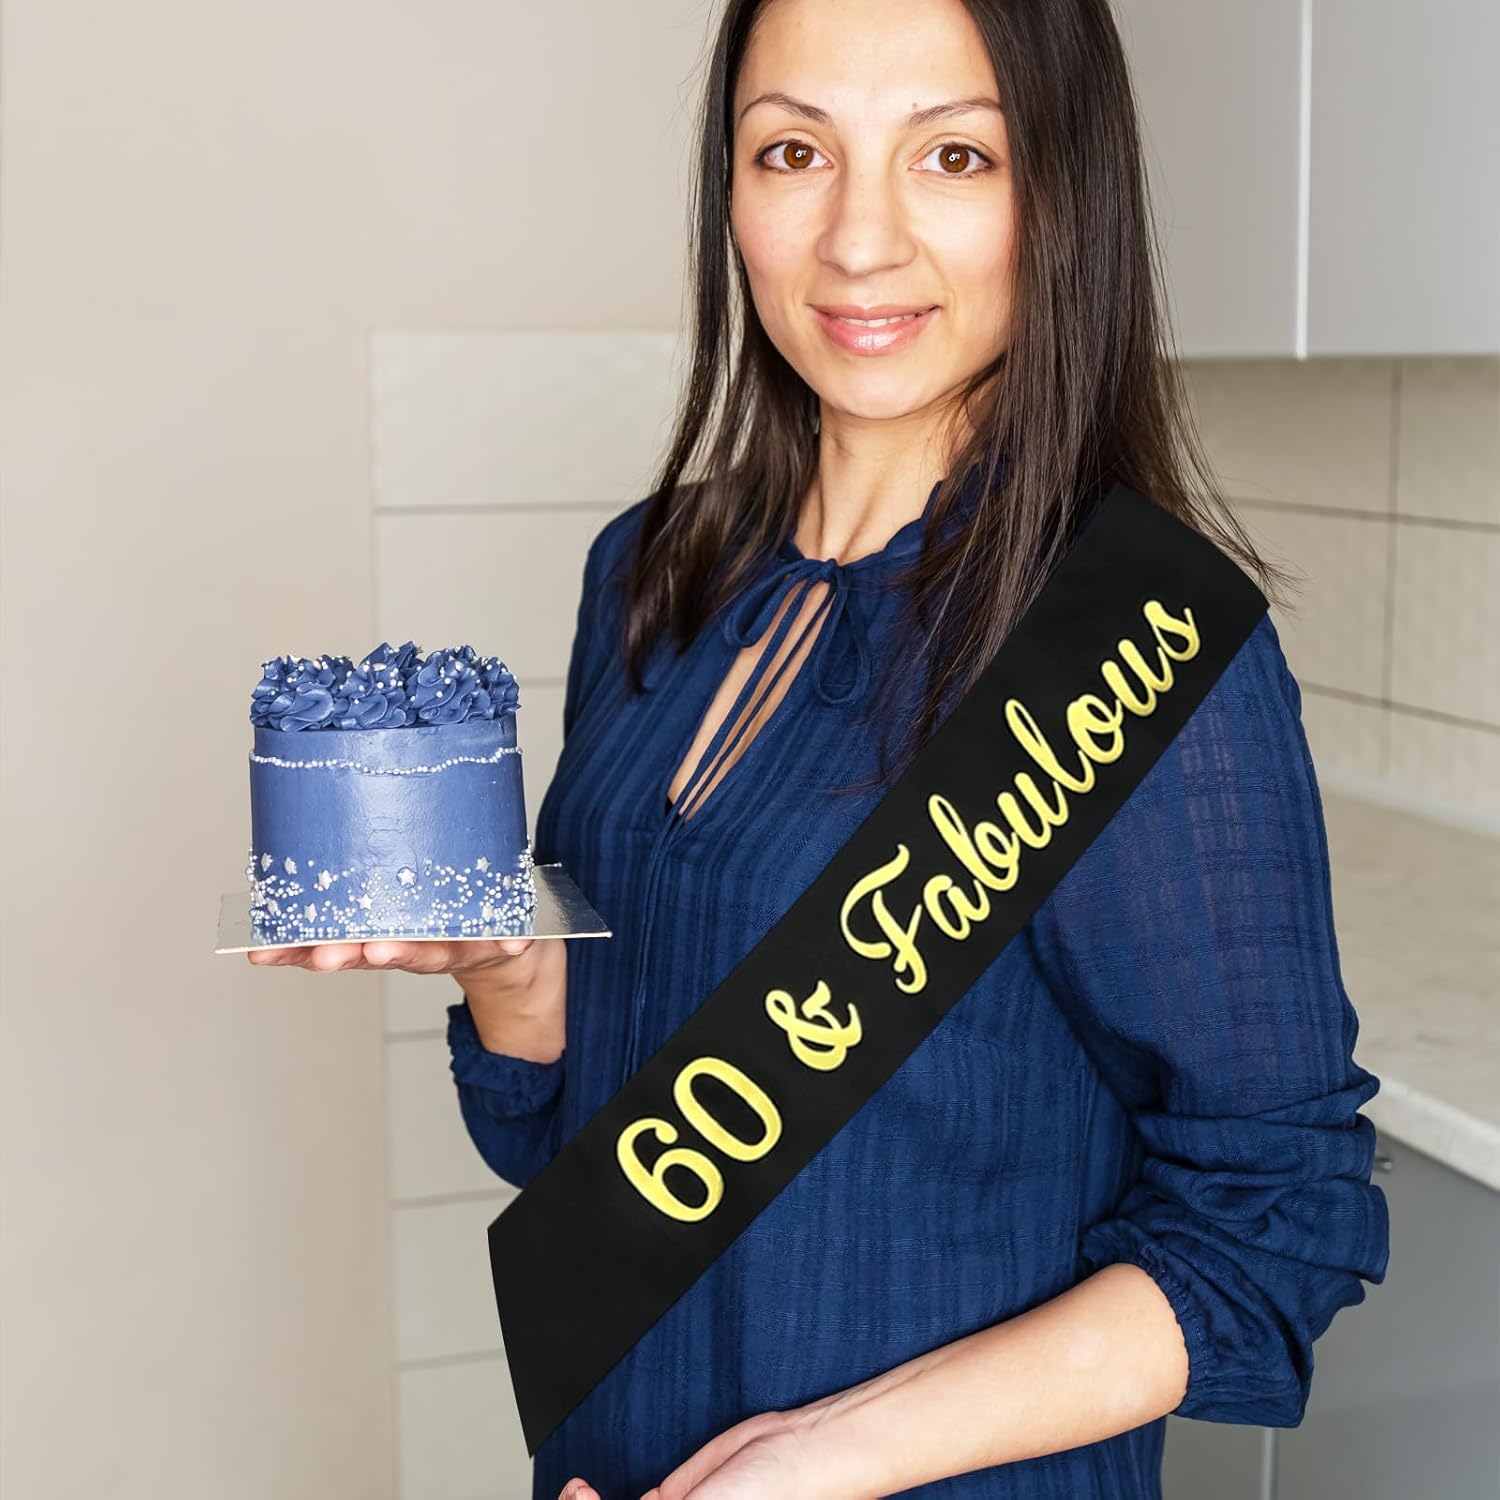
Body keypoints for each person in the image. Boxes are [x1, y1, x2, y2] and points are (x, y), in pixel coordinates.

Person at [254, 0, 1391, 1495]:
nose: (859, 241)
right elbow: (592, 1168)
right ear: (728, 190)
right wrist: (510, 976)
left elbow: (1274, 1232)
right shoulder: (652, 573)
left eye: (954, 156)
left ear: (1062, 193)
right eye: (793, 152)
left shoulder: (1135, 640)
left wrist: (819, 1460)